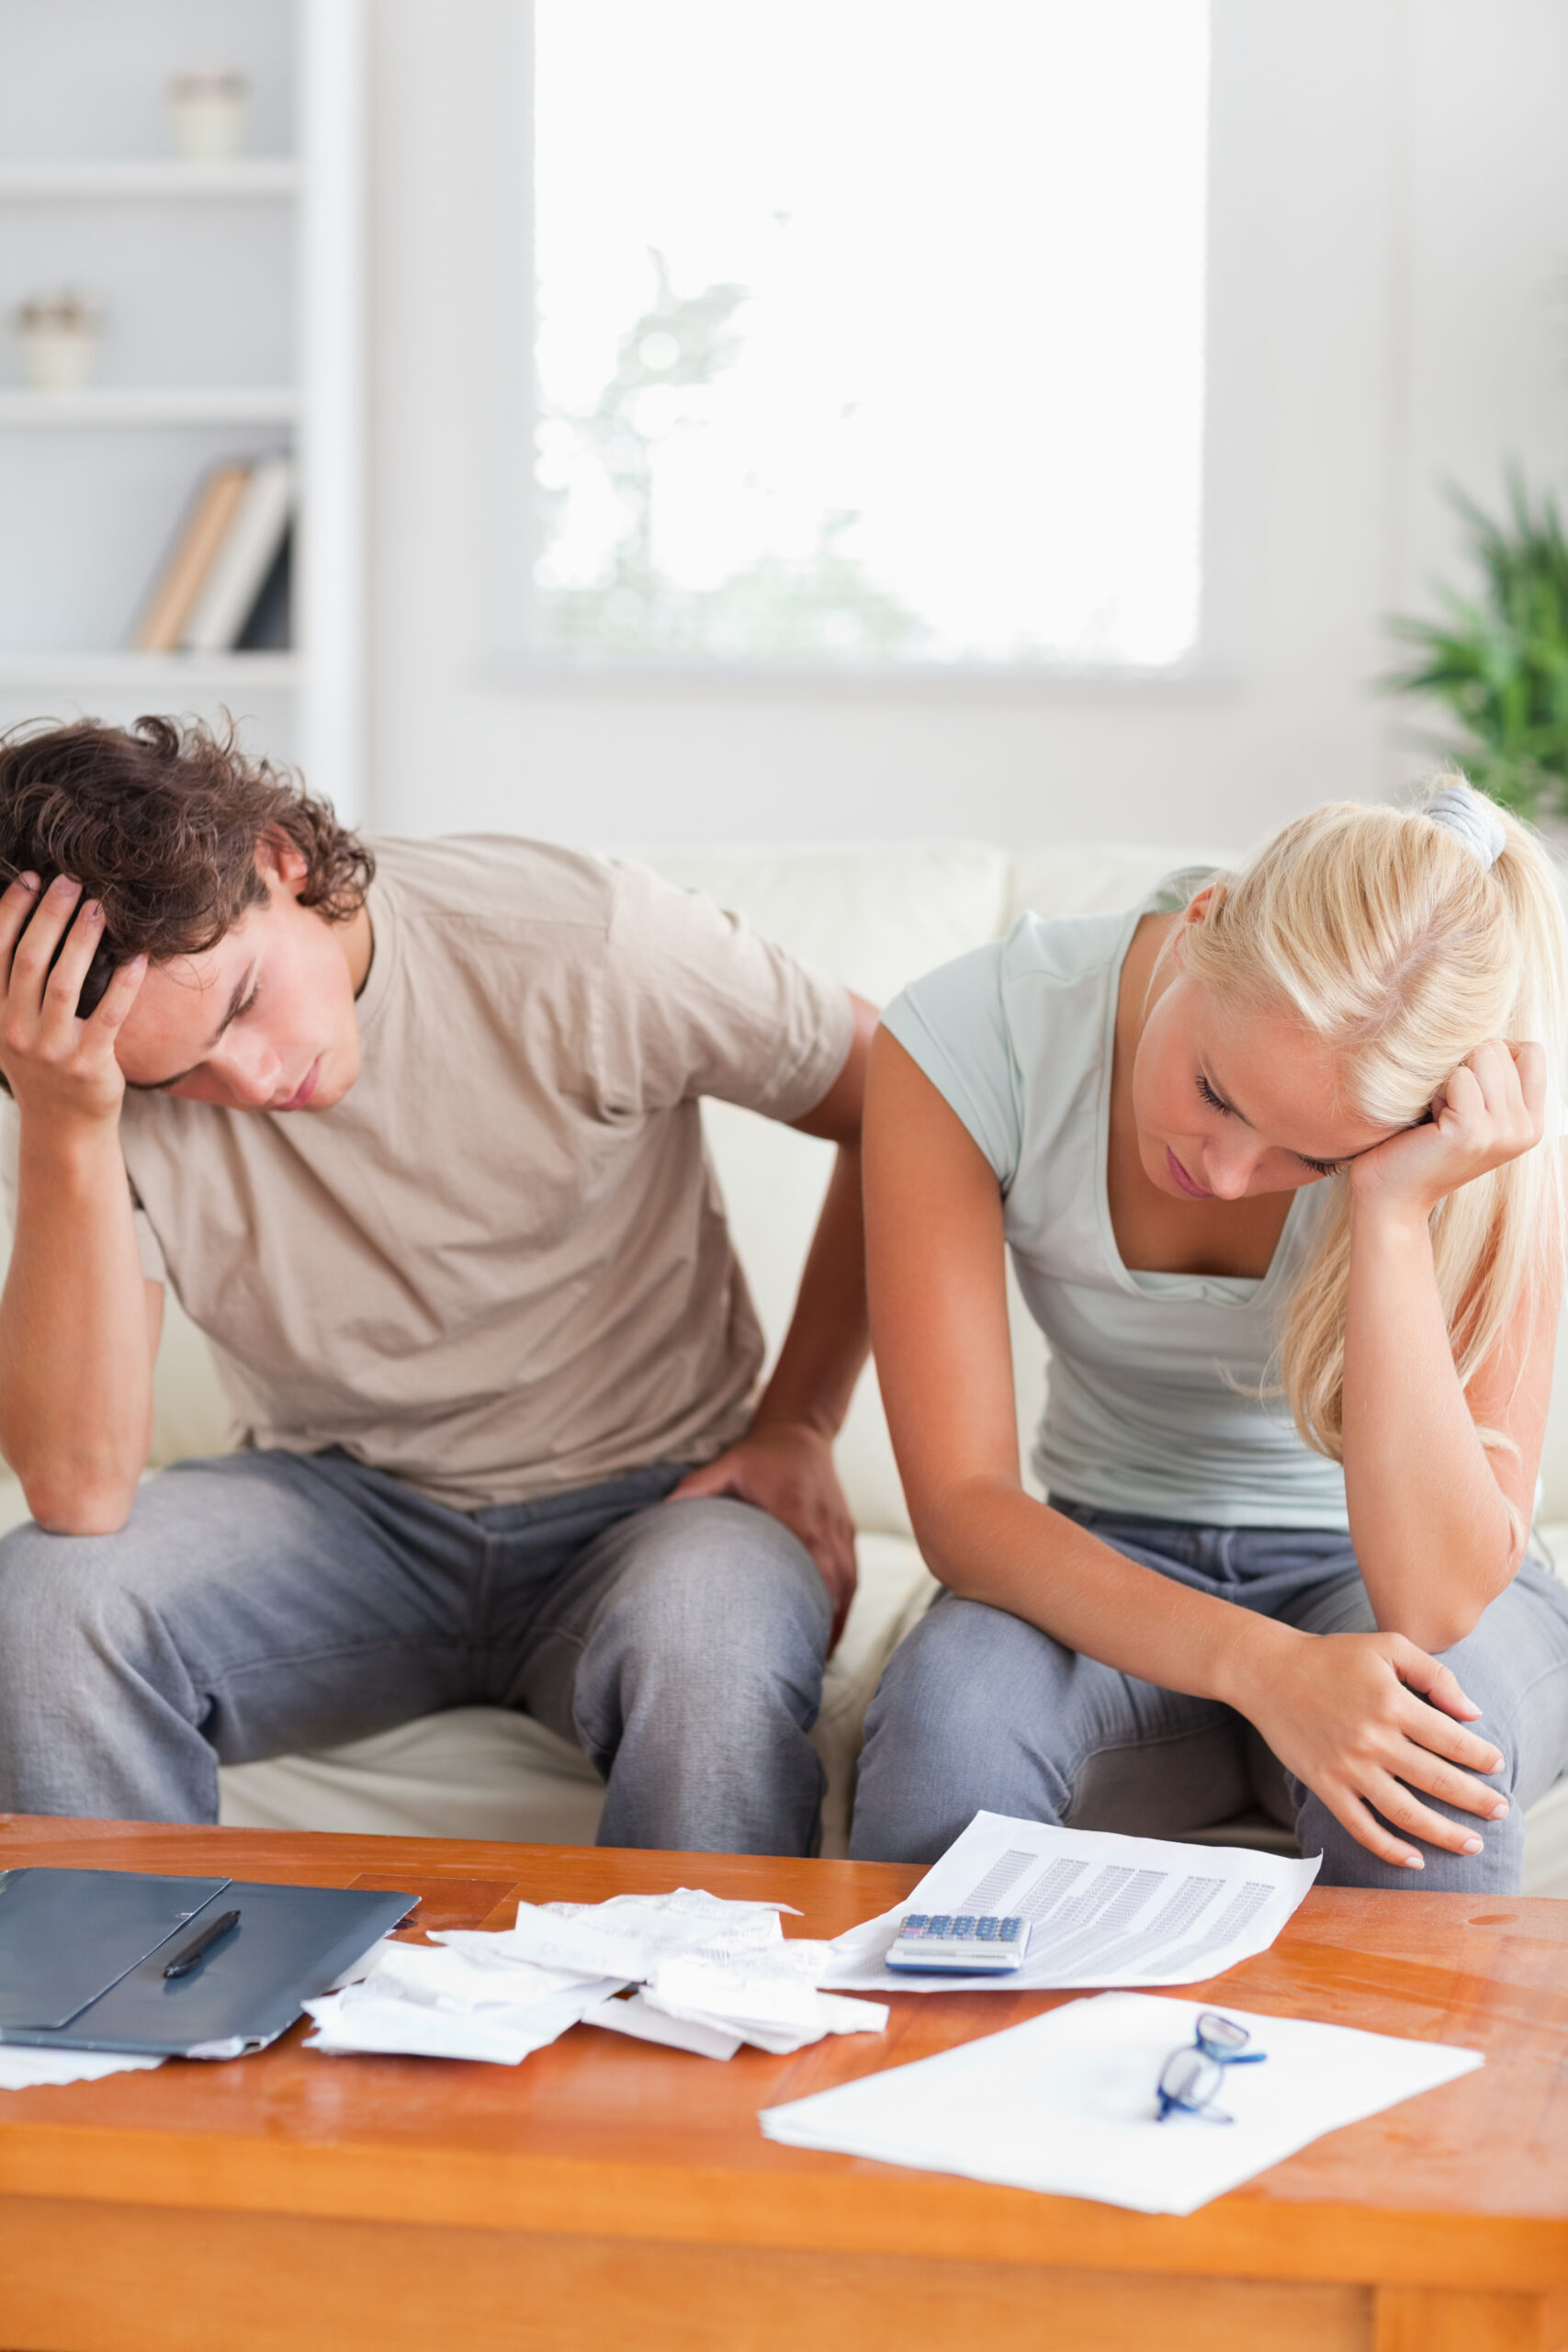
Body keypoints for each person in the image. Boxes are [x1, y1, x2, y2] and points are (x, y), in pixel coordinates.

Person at [0, 715, 875, 1851]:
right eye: (183, 1078)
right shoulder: (92, 1084)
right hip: (343, 1509)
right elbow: (81, 1494)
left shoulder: (578, 936)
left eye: (242, 1005)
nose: (256, 1082)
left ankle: (693, 2020)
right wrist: (74, 1123)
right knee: (47, 1605)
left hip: (660, 1502)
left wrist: (802, 1417)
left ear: (280, 858)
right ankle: (141, 2014)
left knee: (711, 1649)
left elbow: (900, 1098)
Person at [852, 780, 1568, 1891]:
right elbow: (960, 1510)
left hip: (1372, 1583)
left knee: (1431, 1791)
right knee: (948, 1735)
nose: (1229, 1174)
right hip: (1106, 1558)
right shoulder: (973, 1032)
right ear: (1200, 927)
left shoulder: (1488, 1135)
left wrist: (1384, 1214)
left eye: (1310, 1159)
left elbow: (1430, 1605)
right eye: (1217, 1091)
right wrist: (1268, 1671)